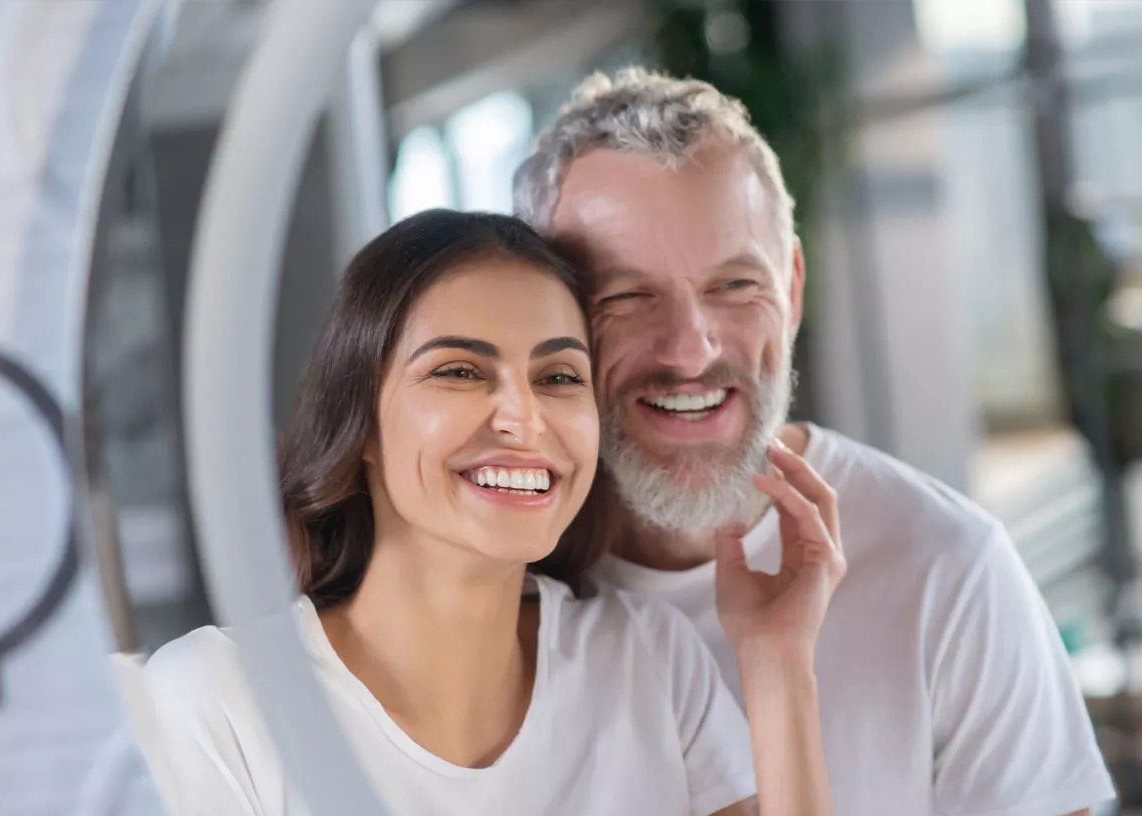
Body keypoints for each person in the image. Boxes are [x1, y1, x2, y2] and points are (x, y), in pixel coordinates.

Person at [513, 67, 1116, 816]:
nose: (691, 351)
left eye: (736, 286)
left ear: (792, 289)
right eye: (626, 297)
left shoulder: (946, 566)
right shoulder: (496, 587)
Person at [144, 209, 845, 815]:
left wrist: (778, 663)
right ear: (360, 425)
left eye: (558, 377)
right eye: (459, 371)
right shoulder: (217, 705)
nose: (524, 418)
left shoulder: (648, 661)